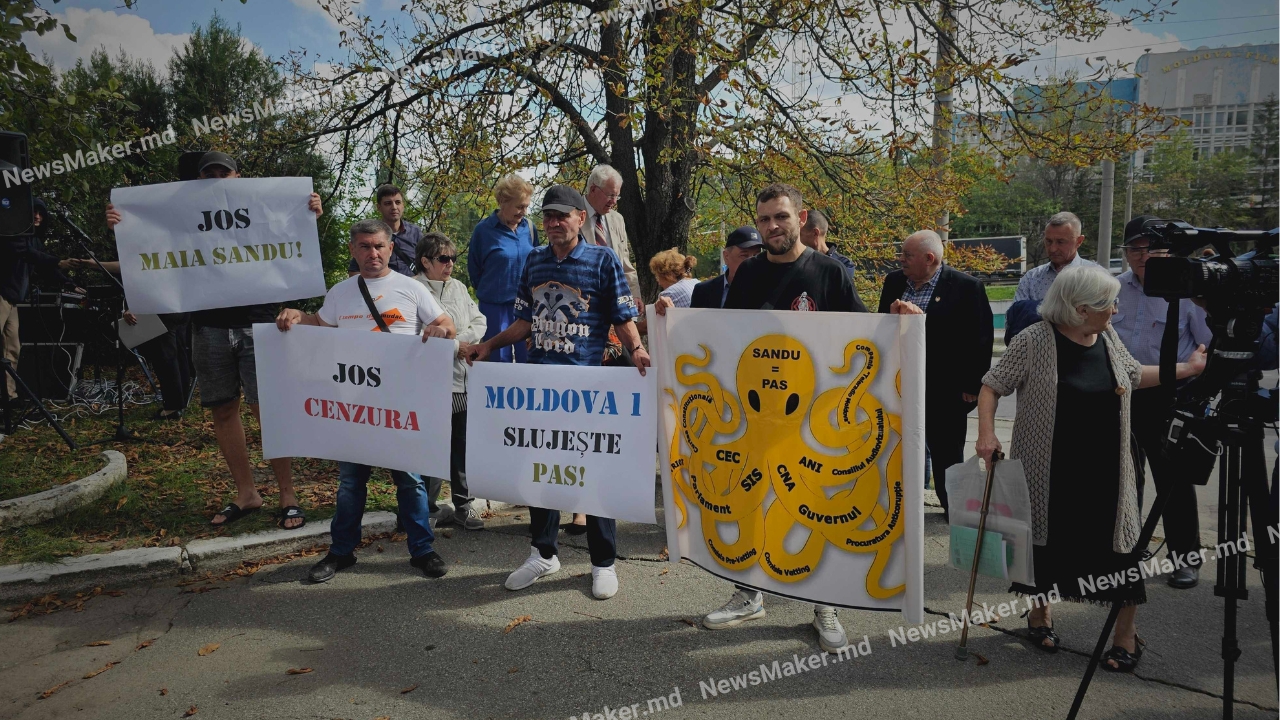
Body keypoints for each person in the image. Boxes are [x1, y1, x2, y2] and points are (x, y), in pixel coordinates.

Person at [656, 182, 866, 652]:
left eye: (781, 217)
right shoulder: (747, 275)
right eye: (765, 219)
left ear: (802, 218)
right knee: (754, 501)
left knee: (812, 509)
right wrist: (672, 316)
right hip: (757, 416)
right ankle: (748, 592)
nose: (773, 226)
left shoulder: (831, 272)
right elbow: (724, 336)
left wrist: (902, 323)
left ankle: (824, 603)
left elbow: (863, 339)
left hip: (811, 419)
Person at [975, 264, 1206, 672]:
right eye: (1108, 304)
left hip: (1108, 469)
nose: (1116, 310)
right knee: (1044, 548)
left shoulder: (1107, 336)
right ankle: (1040, 614)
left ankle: (1125, 636)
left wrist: (1185, 369)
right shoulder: (1034, 340)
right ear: (1081, 308)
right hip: (1048, 469)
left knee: (1121, 550)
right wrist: (987, 435)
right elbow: (992, 385)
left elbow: (1134, 375)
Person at [106, 151, 322, 530]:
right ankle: (247, 493)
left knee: (267, 411)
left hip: (263, 326)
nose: (218, 178)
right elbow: (154, 253)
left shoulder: (263, 207)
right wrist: (125, 227)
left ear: (238, 176)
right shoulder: (181, 217)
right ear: (199, 179)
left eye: (225, 172)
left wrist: (307, 213)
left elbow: (291, 239)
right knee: (223, 410)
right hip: (208, 329)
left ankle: (288, 494)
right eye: (210, 173)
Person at [461, 185, 648, 600]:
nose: (554, 223)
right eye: (547, 216)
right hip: (540, 387)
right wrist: (488, 345)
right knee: (540, 470)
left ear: (581, 218)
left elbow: (621, 316)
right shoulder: (534, 260)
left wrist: (635, 349)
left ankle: (603, 562)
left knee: (593, 473)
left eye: (562, 215)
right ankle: (543, 553)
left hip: (588, 390)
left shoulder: (603, 260)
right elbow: (524, 320)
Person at [276, 219, 456, 583]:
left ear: (391, 248)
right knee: (350, 483)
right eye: (364, 247)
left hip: (400, 404)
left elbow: (447, 324)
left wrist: (440, 329)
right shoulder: (340, 293)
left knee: (410, 482)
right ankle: (341, 552)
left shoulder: (410, 289)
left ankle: (422, 550)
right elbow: (321, 328)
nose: (372, 253)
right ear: (353, 250)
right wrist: (299, 317)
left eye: (378, 246)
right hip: (353, 408)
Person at [1112, 216, 1213, 590]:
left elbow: (1205, 346)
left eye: (1152, 248)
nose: (1143, 256)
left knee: (1174, 480)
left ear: (1167, 251)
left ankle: (1185, 558)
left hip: (1171, 397)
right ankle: (1130, 549)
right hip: (1123, 394)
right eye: (1135, 249)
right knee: (1125, 478)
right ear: (1125, 253)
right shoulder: (1114, 289)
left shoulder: (1186, 291)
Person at [877, 230, 992, 518]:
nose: (901, 259)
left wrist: (972, 386)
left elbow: (980, 339)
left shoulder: (966, 287)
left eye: (908, 255)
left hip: (947, 389)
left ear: (929, 259)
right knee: (900, 450)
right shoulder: (894, 282)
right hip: (901, 385)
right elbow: (878, 329)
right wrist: (891, 320)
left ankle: (954, 511)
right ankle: (900, 508)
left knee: (947, 455)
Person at [414, 231, 487, 530]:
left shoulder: (457, 287)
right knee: (430, 447)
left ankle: (463, 506)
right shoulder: (412, 289)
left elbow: (479, 321)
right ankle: (426, 509)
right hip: (428, 384)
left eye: (453, 259)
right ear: (425, 261)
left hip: (461, 381)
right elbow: (417, 333)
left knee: (462, 446)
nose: (450, 265)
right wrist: (456, 347)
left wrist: (461, 342)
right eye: (443, 259)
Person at [70, 258, 193, 421]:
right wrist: (94, 264)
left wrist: (134, 306)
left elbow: (139, 271)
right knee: (177, 354)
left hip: (162, 305)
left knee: (165, 357)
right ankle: (181, 402)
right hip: (180, 303)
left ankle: (172, 407)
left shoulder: (142, 244)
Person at [0, 198, 76, 400]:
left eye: (41, 213)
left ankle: (9, 398)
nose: (37, 216)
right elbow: (27, 254)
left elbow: (45, 266)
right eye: (34, 212)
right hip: (1, 295)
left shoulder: (34, 240)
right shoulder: (11, 233)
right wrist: (59, 262)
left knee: (12, 349)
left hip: (12, 300)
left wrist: (69, 284)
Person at [468, 174, 539, 363]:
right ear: (502, 202)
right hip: (494, 307)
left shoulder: (529, 228)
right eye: (519, 206)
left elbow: (536, 263)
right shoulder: (483, 231)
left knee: (528, 360)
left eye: (526, 206)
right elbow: (474, 271)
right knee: (498, 361)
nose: (523, 211)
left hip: (525, 307)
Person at [1005, 212, 1094, 343]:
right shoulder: (1032, 278)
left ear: (1079, 241)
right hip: (1037, 355)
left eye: (1060, 242)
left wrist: (1037, 312)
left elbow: (1098, 323)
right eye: (1048, 241)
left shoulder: (1096, 277)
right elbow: (1014, 319)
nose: (1052, 248)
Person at [583, 164, 642, 307]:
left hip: (616, 302)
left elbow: (625, 263)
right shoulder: (571, 215)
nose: (614, 201)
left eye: (617, 196)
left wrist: (634, 295)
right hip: (584, 302)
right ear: (593, 190)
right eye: (611, 195)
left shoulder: (618, 219)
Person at [347, 183, 423, 277]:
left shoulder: (415, 232)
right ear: (379, 207)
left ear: (403, 205)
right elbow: (354, 272)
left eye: (398, 202)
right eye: (388, 203)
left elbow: (429, 265)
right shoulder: (371, 235)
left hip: (413, 287)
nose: (394, 207)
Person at [690, 226, 762, 309]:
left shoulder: (769, 290)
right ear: (726, 256)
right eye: (744, 255)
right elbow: (696, 321)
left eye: (757, 255)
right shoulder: (703, 291)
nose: (751, 261)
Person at [799, 209, 856, 278]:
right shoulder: (795, 260)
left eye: (800, 235)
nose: (796, 240)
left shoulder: (845, 265)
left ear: (815, 233)